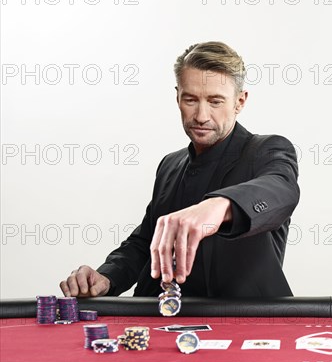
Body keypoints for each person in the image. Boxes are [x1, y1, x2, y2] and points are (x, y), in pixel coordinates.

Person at [60, 41, 300, 298]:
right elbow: (145, 243)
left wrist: (220, 206)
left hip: (243, 326)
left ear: (240, 102)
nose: (201, 115)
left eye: (215, 101)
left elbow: (281, 190)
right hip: (160, 323)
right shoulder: (169, 165)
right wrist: (106, 277)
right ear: (177, 97)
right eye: (191, 99)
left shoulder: (268, 150)